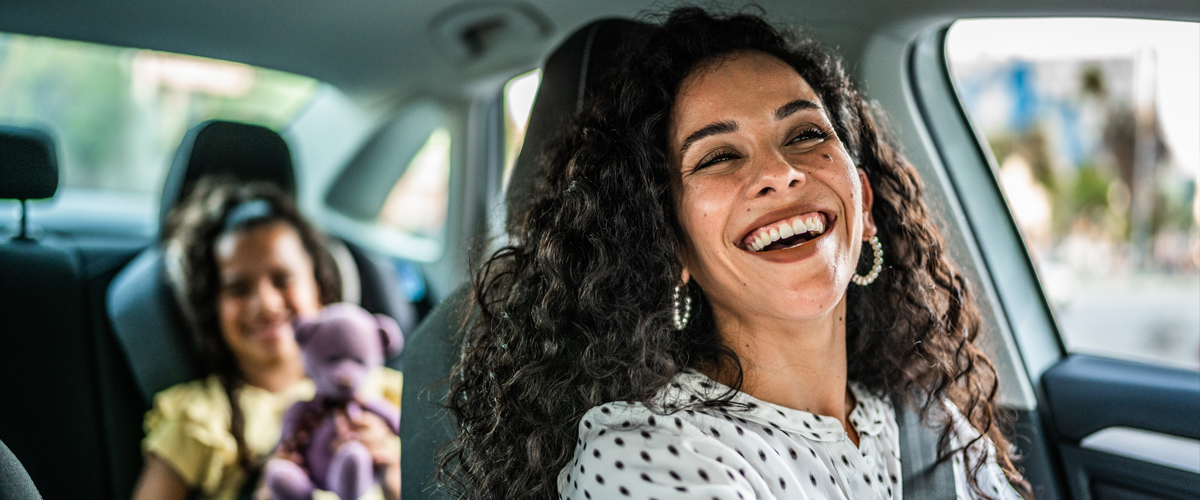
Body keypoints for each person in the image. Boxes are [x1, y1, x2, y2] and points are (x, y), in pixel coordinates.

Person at [442, 7, 1030, 500]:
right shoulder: (647, 458)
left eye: (805, 134)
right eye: (718, 156)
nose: (780, 172)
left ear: (866, 204)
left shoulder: (935, 427)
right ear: (672, 246)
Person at [130, 179, 401, 500]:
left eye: (282, 279)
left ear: (320, 285)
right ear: (211, 308)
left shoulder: (387, 395)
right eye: (238, 289)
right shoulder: (200, 419)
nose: (266, 304)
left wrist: (394, 472)